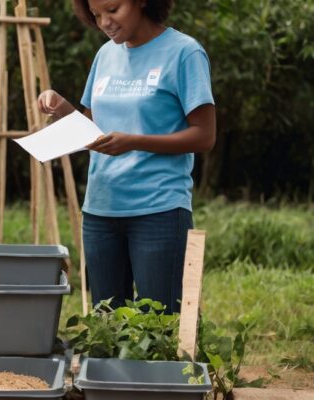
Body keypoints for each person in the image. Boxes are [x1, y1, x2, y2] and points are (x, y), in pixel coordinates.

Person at [38, 0, 216, 313]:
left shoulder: (184, 53)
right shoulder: (106, 54)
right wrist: (60, 106)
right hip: (101, 210)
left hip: (158, 209)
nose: (104, 22)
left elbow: (204, 135)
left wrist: (134, 142)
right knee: (107, 322)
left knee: (160, 322)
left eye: (113, 9)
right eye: (95, 15)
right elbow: (90, 128)